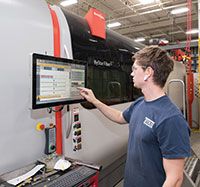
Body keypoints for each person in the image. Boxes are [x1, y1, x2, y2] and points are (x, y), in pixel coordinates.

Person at [78, 45, 191, 187]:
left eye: (135, 69)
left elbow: (174, 179)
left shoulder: (171, 119)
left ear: (148, 72)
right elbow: (119, 117)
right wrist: (94, 101)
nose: (131, 74)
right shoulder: (140, 104)